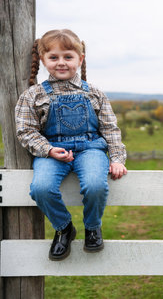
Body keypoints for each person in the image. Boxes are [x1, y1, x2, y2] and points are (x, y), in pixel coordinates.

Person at [15, 29, 127, 261]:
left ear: (80, 59)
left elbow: (109, 129)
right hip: (51, 151)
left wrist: (116, 159)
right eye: (54, 57)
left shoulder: (95, 93)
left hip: (90, 149)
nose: (61, 63)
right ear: (44, 60)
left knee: (96, 185)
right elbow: (25, 130)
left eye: (68, 56)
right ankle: (64, 228)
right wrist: (48, 150)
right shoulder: (32, 95)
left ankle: (93, 227)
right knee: (41, 189)